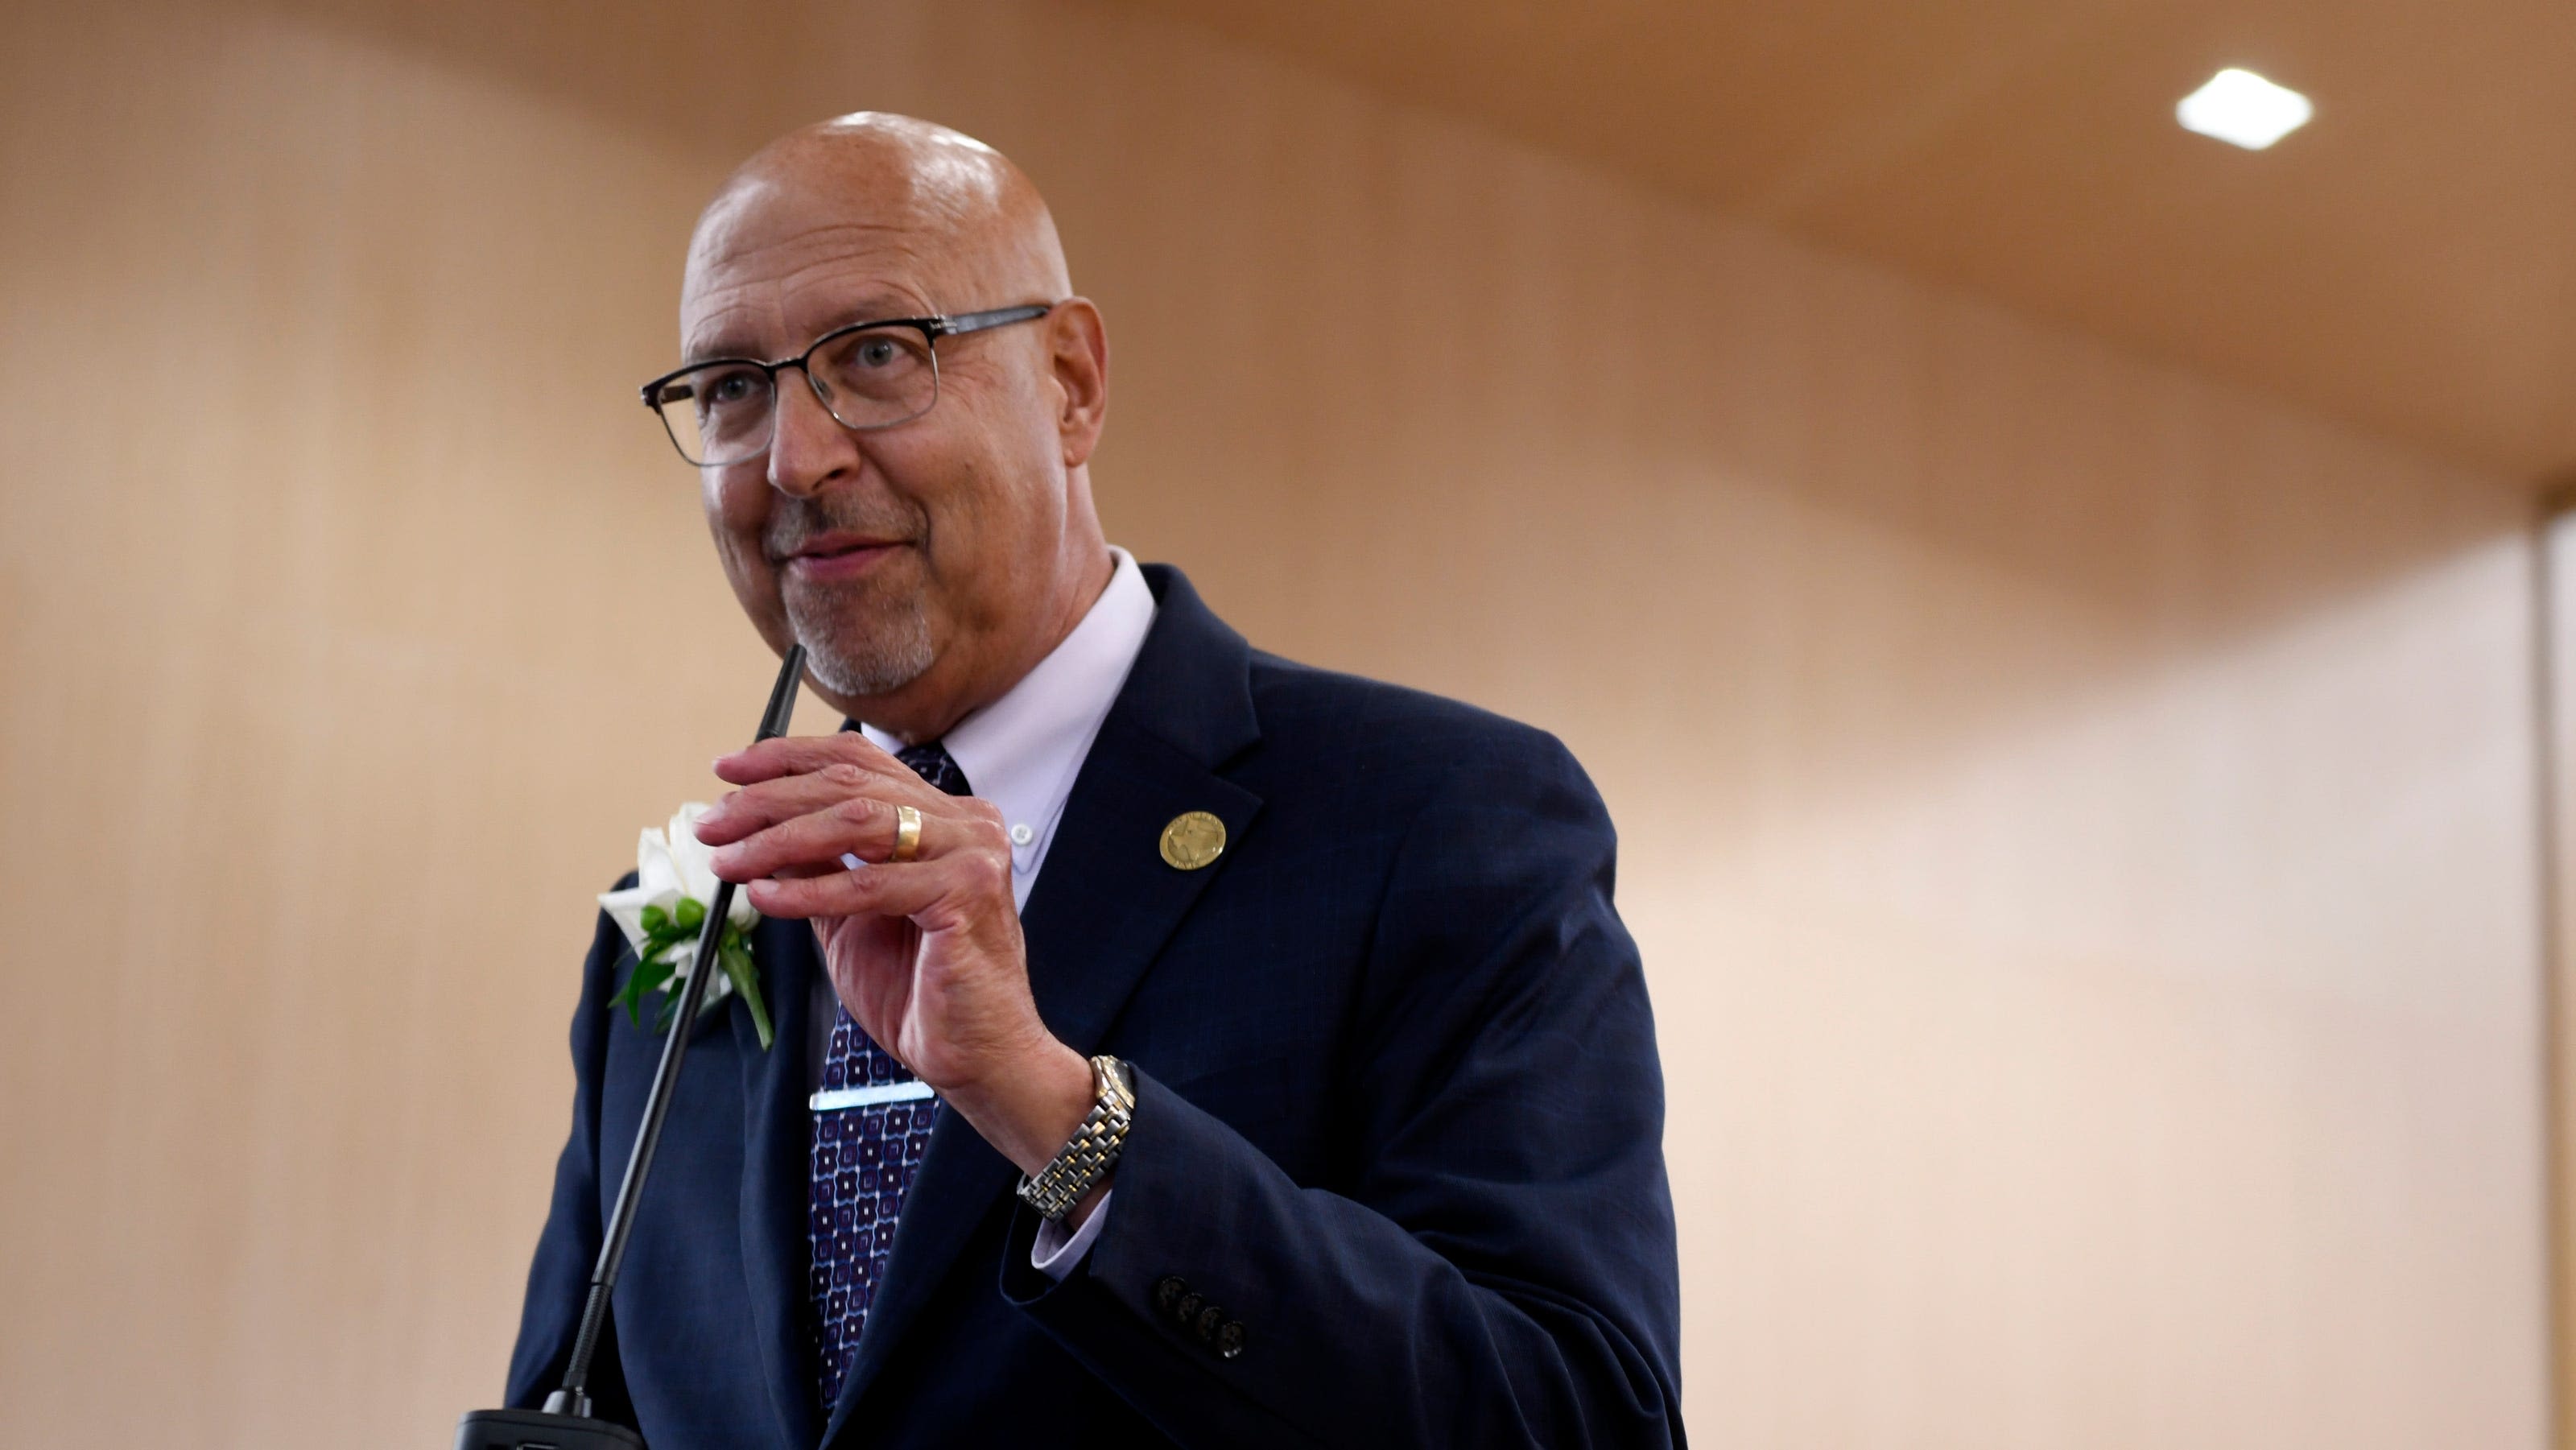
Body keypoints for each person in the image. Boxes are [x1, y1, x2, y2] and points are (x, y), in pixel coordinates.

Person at [506, 111, 1682, 1449]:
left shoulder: (1442, 819)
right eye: (731, 386)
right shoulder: (684, 928)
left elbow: (1579, 1420)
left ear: (1071, 382)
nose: (795, 458)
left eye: (878, 354)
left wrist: (1060, 1117)